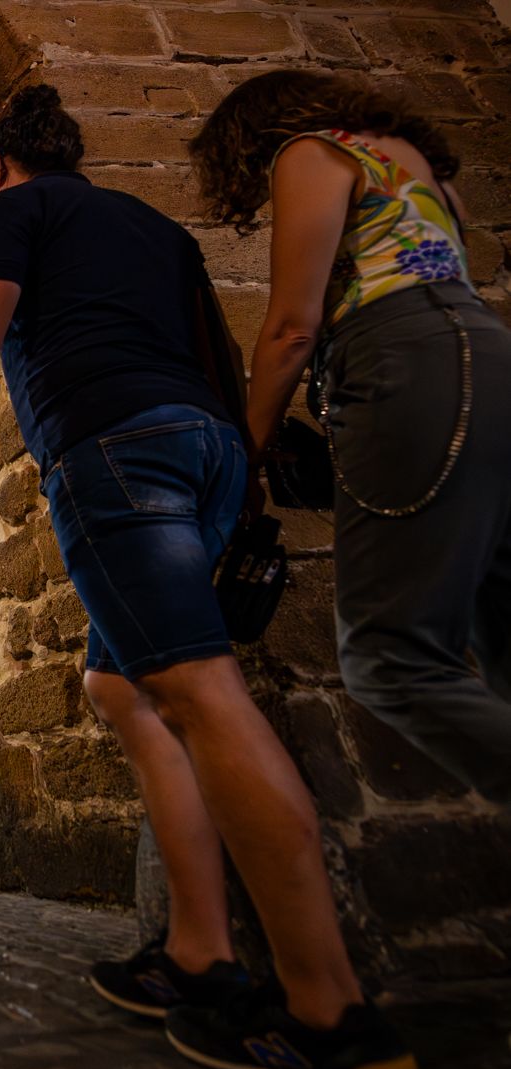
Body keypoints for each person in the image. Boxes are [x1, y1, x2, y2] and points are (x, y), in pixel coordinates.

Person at [0, 85, 426, 1069]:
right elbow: (219, 349)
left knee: (199, 688)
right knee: (123, 687)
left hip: (114, 445)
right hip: (206, 446)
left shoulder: (11, 210)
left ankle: (331, 1013)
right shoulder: (150, 224)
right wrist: (239, 464)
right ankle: (198, 952)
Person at [190, 69, 511, 803]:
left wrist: (247, 453)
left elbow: (290, 328)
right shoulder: (422, 174)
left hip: (405, 360)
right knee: (502, 639)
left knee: (387, 658)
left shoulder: (308, 152)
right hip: (487, 359)